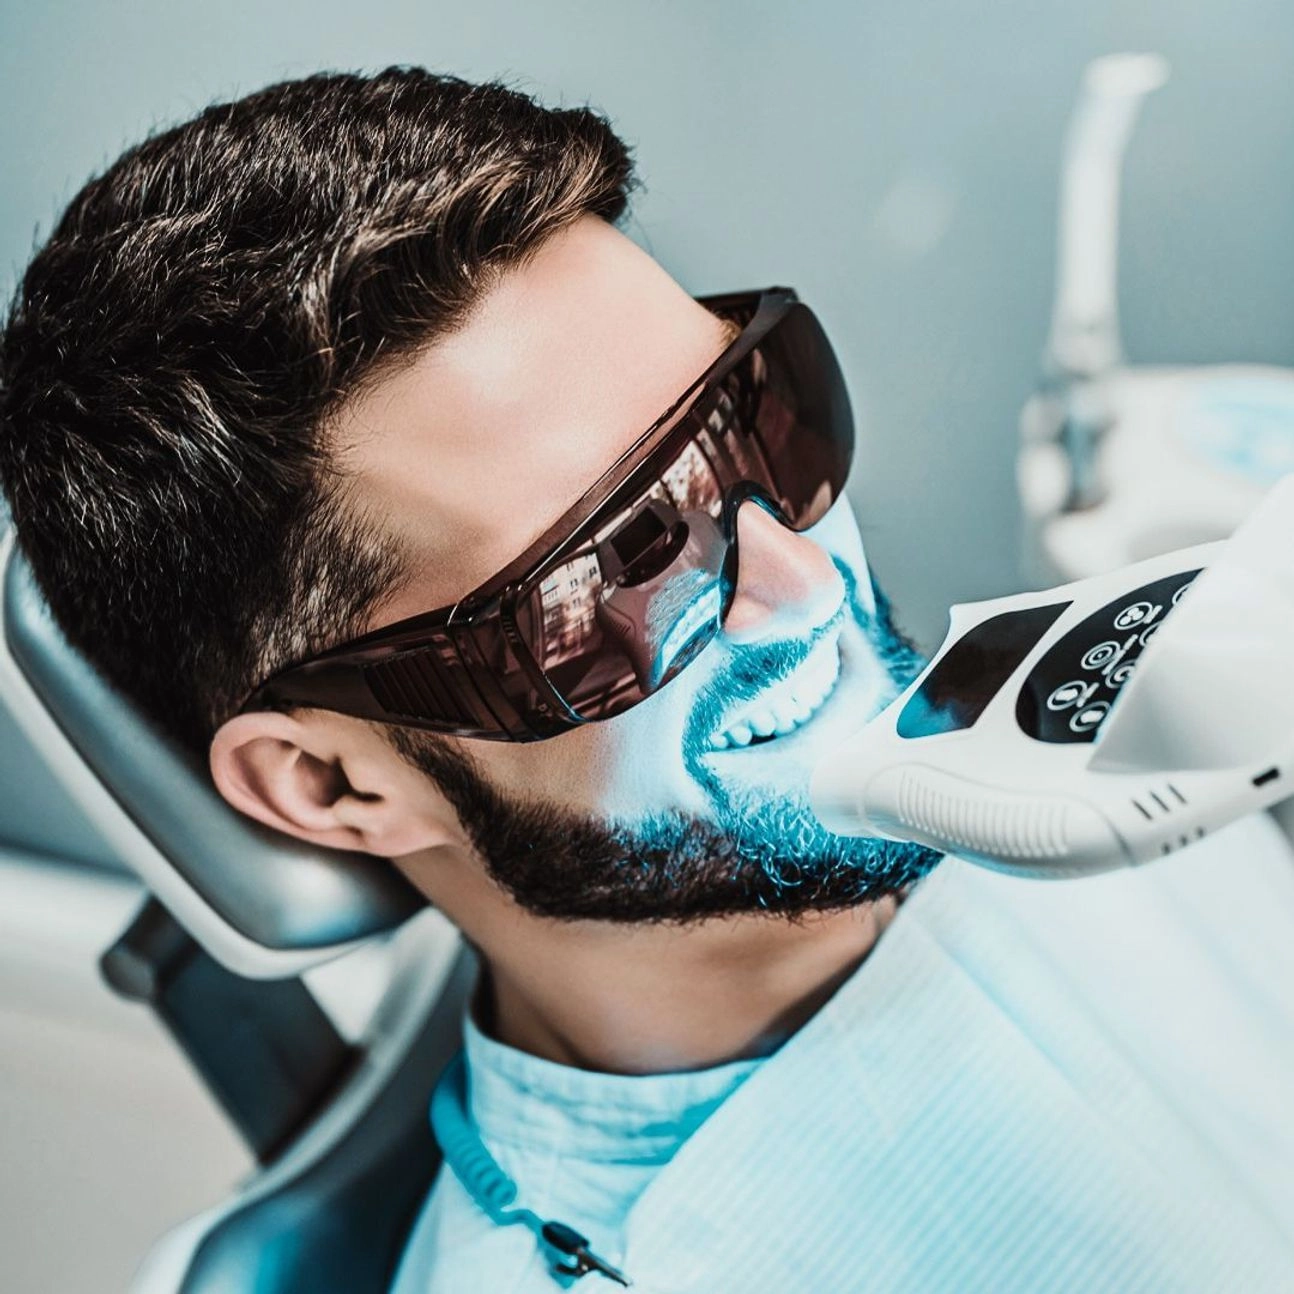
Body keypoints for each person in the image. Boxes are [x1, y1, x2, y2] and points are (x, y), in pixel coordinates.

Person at [2, 67, 1292, 1294]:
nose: (805, 585)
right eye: (619, 568)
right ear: (335, 783)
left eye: (755, 416)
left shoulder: (1076, 714)